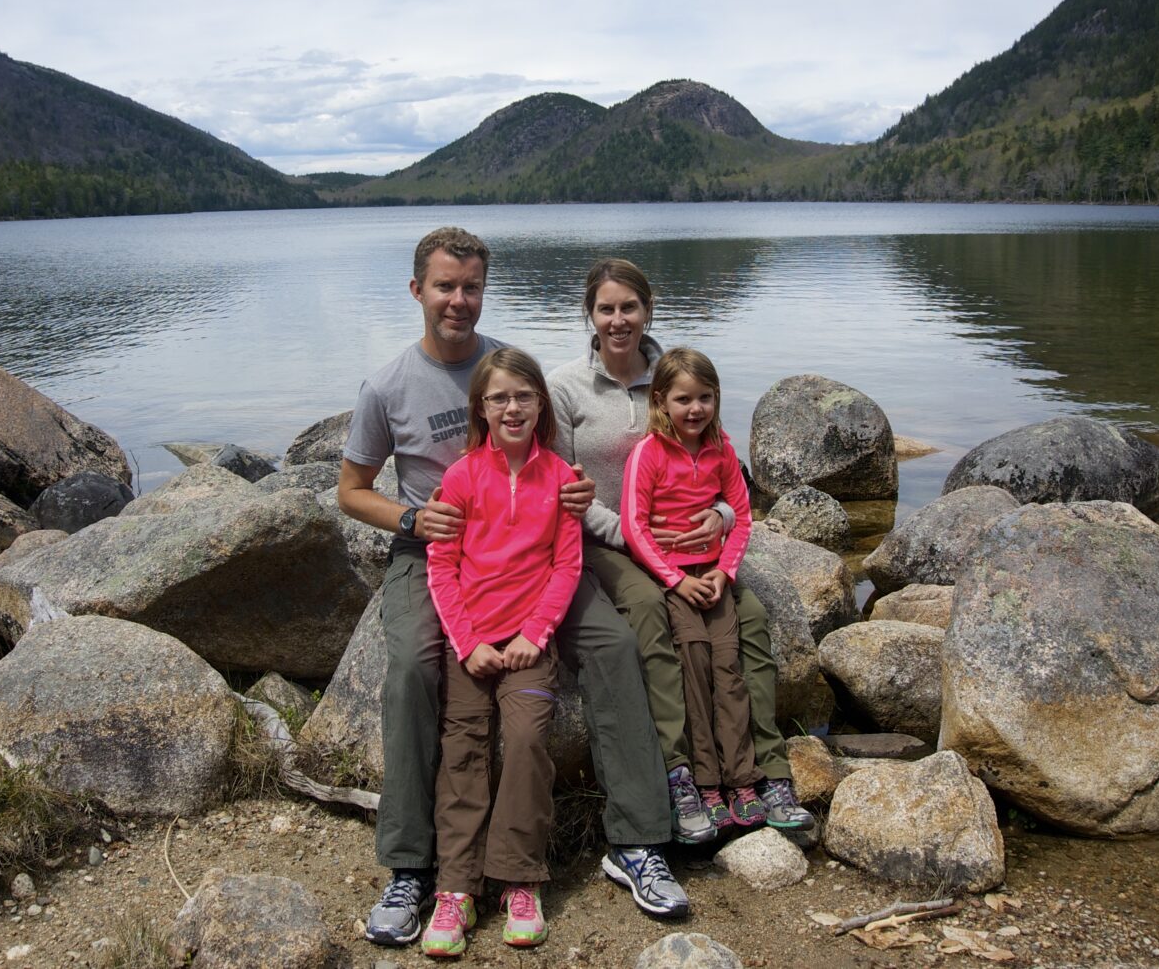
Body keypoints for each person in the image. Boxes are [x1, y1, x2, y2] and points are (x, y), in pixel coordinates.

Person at [339, 228, 690, 950]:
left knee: (615, 643)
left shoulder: (504, 369)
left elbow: (553, 457)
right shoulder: (387, 384)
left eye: (470, 287)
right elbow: (350, 492)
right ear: (418, 292)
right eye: (444, 286)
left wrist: (581, 494)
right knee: (411, 667)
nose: (458, 301)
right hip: (434, 551)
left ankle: (637, 840)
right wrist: (412, 515)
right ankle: (411, 865)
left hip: (534, 554)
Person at [549, 258, 815, 842]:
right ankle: (682, 773)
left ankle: (766, 772)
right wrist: (634, 538)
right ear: (589, 315)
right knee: (651, 613)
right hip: (605, 541)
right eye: (606, 309)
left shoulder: (676, 378)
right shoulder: (565, 387)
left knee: (751, 619)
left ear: (648, 309)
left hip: (686, 543)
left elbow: (724, 473)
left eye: (629, 307)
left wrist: (719, 518)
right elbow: (560, 486)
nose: (618, 320)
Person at [420, 347, 580, 956]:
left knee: (528, 740)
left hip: (528, 646)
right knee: (462, 747)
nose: (511, 408)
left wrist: (533, 635)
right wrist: (467, 643)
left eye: (523, 396)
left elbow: (566, 565)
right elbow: (442, 566)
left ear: (541, 403)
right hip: (471, 644)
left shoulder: (562, 477)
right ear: (481, 408)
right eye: (499, 398)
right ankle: (456, 889)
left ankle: (519, 879)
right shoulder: (461, 476)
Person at [621, 348, 761, 828]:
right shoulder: (650, 453)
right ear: (661, 400)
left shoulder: (722, 449)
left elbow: (741, 516)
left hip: (713, 574)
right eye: (683, 399)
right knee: (695, 662)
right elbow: (634, 527)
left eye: (705, 397)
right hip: (674, 578)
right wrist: (676, 581)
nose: (695, 409)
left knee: (729, 666)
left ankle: (741, 778)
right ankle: (705, 782)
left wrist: (725, 572)